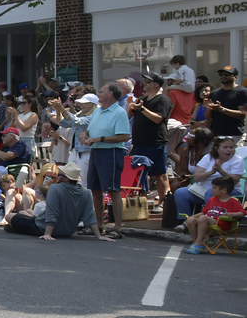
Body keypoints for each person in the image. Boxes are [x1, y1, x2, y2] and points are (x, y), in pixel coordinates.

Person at [4, 163, 113, 241]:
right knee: (24, 215)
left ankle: (17, 227)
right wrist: (98, 236)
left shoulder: (55, 189)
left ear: (67, 179)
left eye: (60, 175)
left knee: (9, 216)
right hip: (68, 231)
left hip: (43, 227)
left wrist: (48, 234)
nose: (57, 176)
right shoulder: (86, 192)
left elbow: (52, 212)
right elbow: (89, 215)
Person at [81, 81, 131, 238]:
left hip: (111, 153)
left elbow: (124, 136)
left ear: (110, 94)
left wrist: (99, 139)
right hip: (96, 153)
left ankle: (117, 227)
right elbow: (89, 130)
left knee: (113, 189)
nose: (99, 94)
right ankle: (98, 225)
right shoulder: (97, 111)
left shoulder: (120, 112)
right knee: (95, 189)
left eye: (101, 92)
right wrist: (85, 134)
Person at [171, 137, 244, 219]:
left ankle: (210, 219)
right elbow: (197, 178)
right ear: (217, 148)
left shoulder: (238, 160)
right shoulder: (208, 157)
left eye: (231, 147)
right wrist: (211, 172)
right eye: (225, 147)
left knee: (211, 191)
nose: (229, 150)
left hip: (227, 191)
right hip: (202, 190)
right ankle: (185, 221)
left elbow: (234, 181)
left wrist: (221, 171)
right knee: (180, 193)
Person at [129, 73, 173, 206]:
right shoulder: (141, 99)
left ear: (156, 84)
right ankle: (139, 201)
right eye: (145, 81)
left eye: (148, 81)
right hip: (139, 142)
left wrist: (141, 108)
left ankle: (162, 201)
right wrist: (130, 106)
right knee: (136, 172)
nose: (144, 83)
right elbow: (128, 115)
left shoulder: (163, 100)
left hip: (155, 142)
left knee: (159, 173)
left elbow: (158, 118)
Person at [182, 176, 243, 254]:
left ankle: (197, 243)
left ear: (224, 190)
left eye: (214, 188)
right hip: (206, 223)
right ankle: (196, 244)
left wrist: (231, 214)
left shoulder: (233, 202)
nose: (211, 189)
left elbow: (243, 213)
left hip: (221, 224)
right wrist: (194, 216)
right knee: (191, 220)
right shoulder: (212, 200)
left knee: (203, 218)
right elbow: (203, 212)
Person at [206, 66, 247, 143]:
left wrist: (221, 109)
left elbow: (242, 114)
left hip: (235, 134)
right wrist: (208, 108)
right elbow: (208, 117)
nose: (223, 76)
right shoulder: (214, 93)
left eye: (226, 74)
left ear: (235, 77)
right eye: (221, 74)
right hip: (216, 134)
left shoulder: (242, 92)